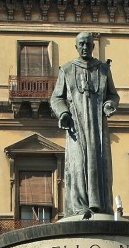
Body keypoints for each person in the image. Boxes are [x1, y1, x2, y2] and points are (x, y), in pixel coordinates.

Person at [50, 32, 119, 218]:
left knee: (99, 163)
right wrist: (63, 113)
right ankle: (79, 206)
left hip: (98, 126)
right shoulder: (66, 69)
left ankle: (100, 205)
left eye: (88, 44)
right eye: (81, 44)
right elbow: (56, 97)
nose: (85, 47)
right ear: (76, 46)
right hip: (76, 126)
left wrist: (110, 104)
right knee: (77, 164)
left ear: (93, 46)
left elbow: (113, 95)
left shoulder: (103, 70)